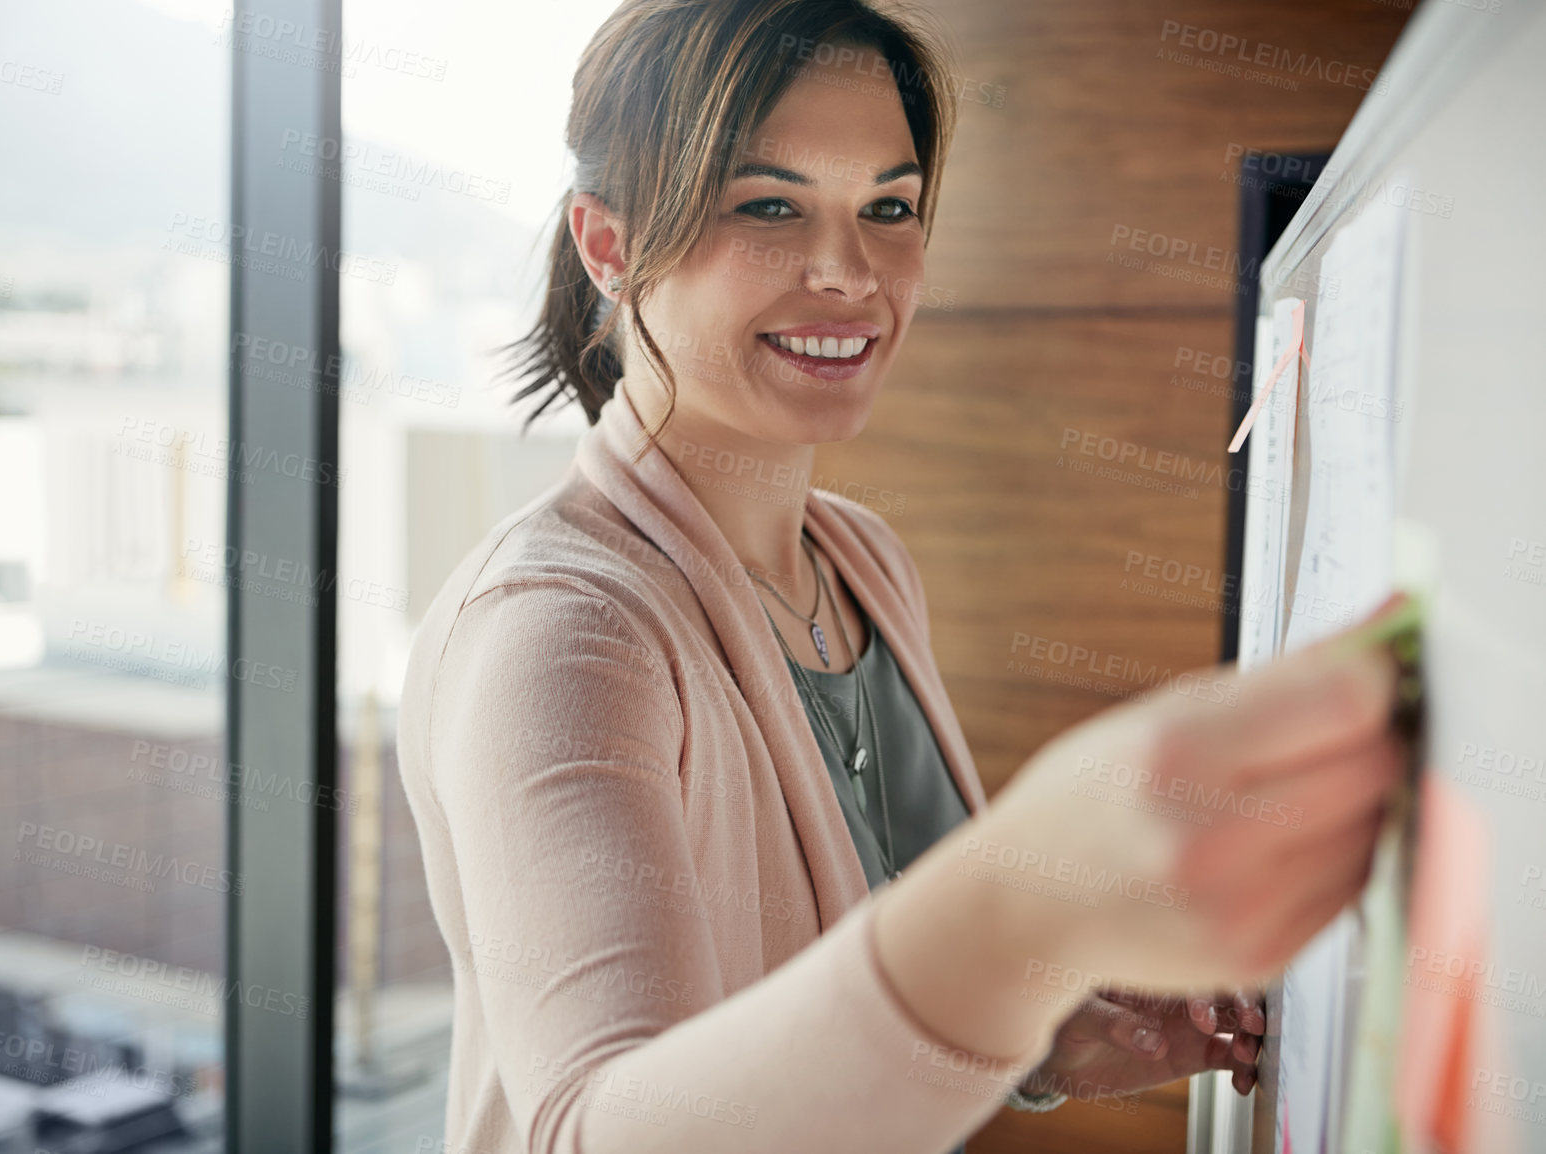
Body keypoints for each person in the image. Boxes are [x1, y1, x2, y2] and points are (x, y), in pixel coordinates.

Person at [394, 2, 1405, 1151]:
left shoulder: (861, 559)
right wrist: (1023, 900)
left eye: (890, 208)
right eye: (769, 205)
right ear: (610, 245)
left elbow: (838, 993)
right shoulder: (561, 631)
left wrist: (1044, 1026)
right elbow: (597, 1129)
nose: (849, 271)